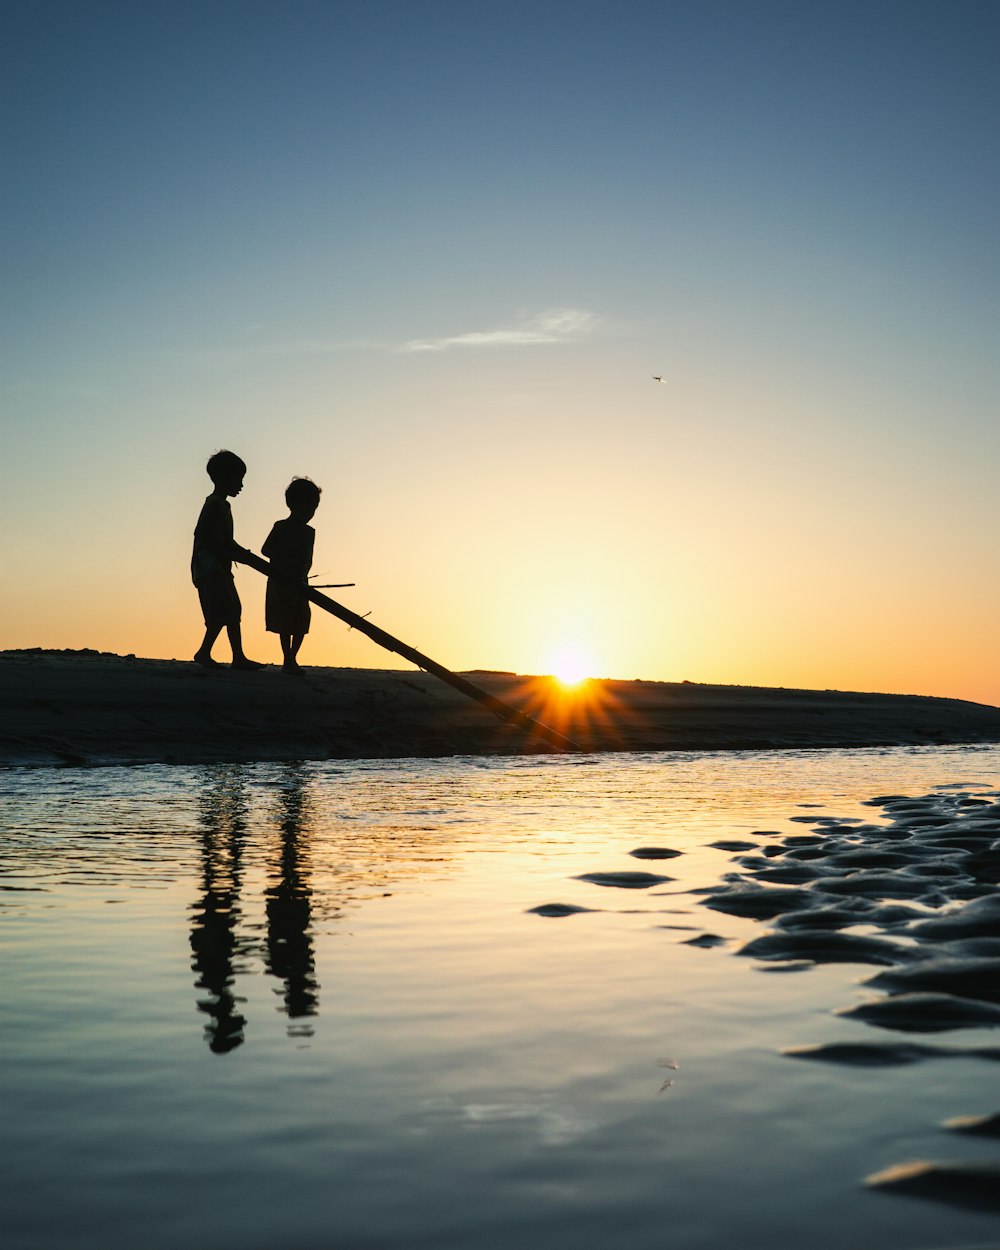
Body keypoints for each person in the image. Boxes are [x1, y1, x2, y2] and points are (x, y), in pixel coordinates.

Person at [191, 450, 262, 670]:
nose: (241, 485)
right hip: (209, 567)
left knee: (233, 610)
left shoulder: (222, 505)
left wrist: (239, 553)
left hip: (219, 567)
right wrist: (236, 553)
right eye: (238, 479)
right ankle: (204, 652)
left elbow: (224, 541)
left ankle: (238, 657)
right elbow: (205, 536)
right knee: (223, 611)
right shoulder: (215, 505)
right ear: (223, 478)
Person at [262, 477, 321, 672]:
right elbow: (266, 550)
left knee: (301, 620)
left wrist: (300, 576)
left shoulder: (309, 532)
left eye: (314, 509)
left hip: (300, 582)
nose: (311, 513)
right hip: (280, 582)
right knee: (284, 621)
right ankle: (288, 658)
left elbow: (308, 558)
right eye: (309, 508)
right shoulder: (280, 527)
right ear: (293, 505)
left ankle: (292, 658)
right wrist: (285, 560)